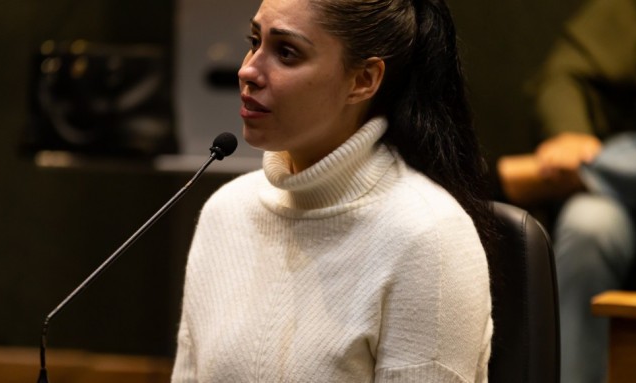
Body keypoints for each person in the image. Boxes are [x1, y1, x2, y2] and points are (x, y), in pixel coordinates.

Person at [171, 0, 496, 381]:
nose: (247, 70)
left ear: (363, 80)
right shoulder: (225, 212)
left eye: (286, 52)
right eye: (254, 41)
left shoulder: (429, 237)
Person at [496, 0, 636, 382]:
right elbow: (566, 71)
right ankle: (605, 171)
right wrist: (569, 132)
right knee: (588, 225)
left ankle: (591, 171)